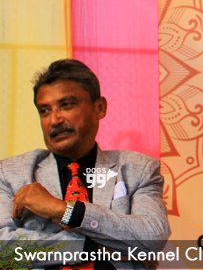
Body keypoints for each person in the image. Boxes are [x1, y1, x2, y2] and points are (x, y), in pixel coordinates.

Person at [0, 59, 170, 267]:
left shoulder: (138, 169)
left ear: (99, 108)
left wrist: (62, 210)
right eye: (44, 111)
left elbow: (152, 238)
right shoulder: (10, 173)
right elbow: (4, 250)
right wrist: (91, 247)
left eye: (66, 105)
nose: (54, 120)